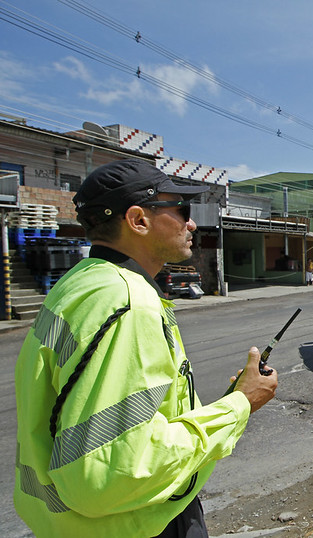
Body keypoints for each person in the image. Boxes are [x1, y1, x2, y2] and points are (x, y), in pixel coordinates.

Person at [13, 159, 278, 537]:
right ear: (138, 220)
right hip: (134, 523)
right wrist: (239, 405)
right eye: (182, 210)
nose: (192, 224)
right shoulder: (129, 303)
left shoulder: (79, 282)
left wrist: (229, 398)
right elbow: (110, 473)